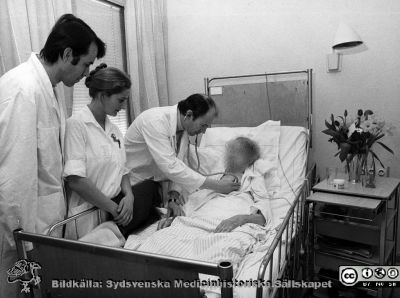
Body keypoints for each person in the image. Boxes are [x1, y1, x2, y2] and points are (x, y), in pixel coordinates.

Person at [0, 14, 105, 297]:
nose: (86, 74)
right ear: (67, 54)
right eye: (85, 64)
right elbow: (14, 179)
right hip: (20, 238)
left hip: (42, 230)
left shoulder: (51, 90)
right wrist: (24, 242)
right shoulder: (24, 89)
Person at [64, 64, 160, 239]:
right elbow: (76, 181)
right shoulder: (76, 125)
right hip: (88, 214)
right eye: (120, 100)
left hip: (114, 211)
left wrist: (129, 196)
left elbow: (122, 170)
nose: (123, 107)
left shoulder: (115, 130)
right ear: (102, 96)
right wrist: (112, 208)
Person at [124, 94, 241, 227]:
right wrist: (217, 185)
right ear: (189, 115)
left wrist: (173, 198)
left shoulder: (183, 131)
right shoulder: (154, 121)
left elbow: (181, 163)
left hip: (154, 185)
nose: (203, 131)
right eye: (203, 125)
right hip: (134, 185)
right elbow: (171, 167)